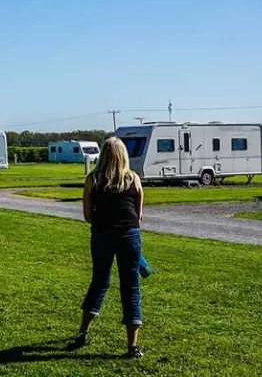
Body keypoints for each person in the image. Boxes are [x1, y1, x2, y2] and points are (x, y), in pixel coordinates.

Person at [71, 137, 146, 359]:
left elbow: (87, 216)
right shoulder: (134, 179)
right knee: (131, 287)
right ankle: (132, 346)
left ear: (102, 155)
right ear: (124, 155)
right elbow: (138, 217)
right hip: (130, 237)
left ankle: (82, 332)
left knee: (100, 281)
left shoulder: (92, 179)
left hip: (102, 235)